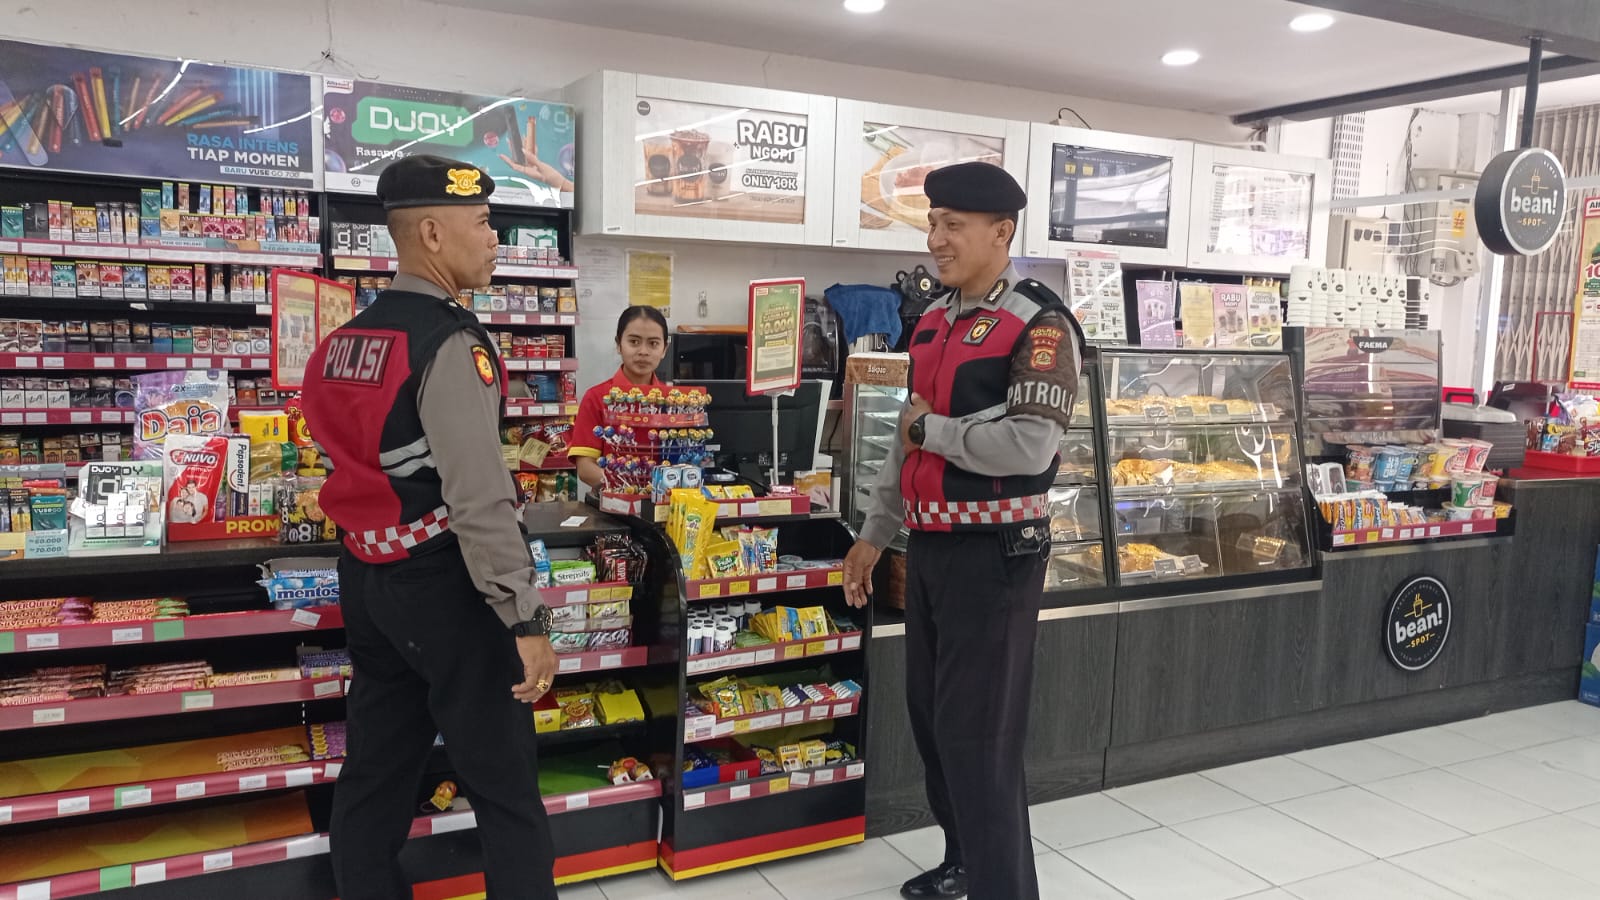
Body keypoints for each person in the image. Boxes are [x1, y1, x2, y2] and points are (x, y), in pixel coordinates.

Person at [301, 154, 560, 900]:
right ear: (434, 235)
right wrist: (523, 616)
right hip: (446, 586)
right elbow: (479, 498)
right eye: (483, 222)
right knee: (505, 786)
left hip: (368, 578)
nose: (496, 238)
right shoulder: (449, 343)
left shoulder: (341, 342)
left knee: (377, 770)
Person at [842, 162, 1084, 900]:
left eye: (953, 225)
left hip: (996, 556)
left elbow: (1029, 447)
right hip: (930, 549)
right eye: (933, 222)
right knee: (935, 725)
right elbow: (903, 443)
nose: (935, 238)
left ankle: (1001, 886)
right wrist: (875, 532)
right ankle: (964, 864)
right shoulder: (933, 320)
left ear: (1001, 232)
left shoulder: (1040, 324)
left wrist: (934, 430)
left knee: (981, 738)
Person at [568, 306, 670, 491]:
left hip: (665, 503)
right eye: (634, 342)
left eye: (653, 343)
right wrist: (628, 489)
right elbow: (585, 468)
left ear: (664, 349)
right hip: (613, 503)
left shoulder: (674, 402)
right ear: (618, 344)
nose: (643, 351)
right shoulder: (596, 398)